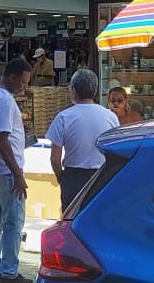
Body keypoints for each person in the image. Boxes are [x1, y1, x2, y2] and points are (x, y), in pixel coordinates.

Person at [0, 57, 33, 283]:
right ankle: (9, 273)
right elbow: (2, 139)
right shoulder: (4, 101)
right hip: (5, 171)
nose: (25, 86)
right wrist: (18, 174)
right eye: (23, 82)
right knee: (12, 221)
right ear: (12, 77)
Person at [45, 69, 118, 210]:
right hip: (102, 177)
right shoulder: (110, 117)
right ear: (95, 90)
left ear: (74, 91)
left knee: (72, 223)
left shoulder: (64, 117)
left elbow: (55, 159)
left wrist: (63, 179)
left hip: (74, 178)